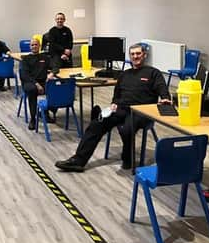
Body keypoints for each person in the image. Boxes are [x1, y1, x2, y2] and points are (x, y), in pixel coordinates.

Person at [55, 43, 171, 172]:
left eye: (138, 54)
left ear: (144, 55)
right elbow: (117, 93)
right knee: (96, 124)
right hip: (121, 109)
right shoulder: (124, 74)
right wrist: (114, 103)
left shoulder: (153, 73)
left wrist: (165, 98)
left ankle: (128, 158)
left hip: (141, 111)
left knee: (126, 128)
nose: (135, 56)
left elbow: (162, 88)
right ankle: (78, 161)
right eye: (132, 54)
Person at [20, 37, 59, 130]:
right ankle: (33, 119)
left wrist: (51, 74)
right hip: (30, 82)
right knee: (32, 90)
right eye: (32, 45)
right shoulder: (25, 59)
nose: (34, 46)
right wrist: (37, 84)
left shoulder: (45, 58)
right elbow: (25, 75)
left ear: (39, 46)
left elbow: (55, 67)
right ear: (30, 47)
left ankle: (46, 112)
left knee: (56, 89)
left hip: (43, 81)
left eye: (36, 45)